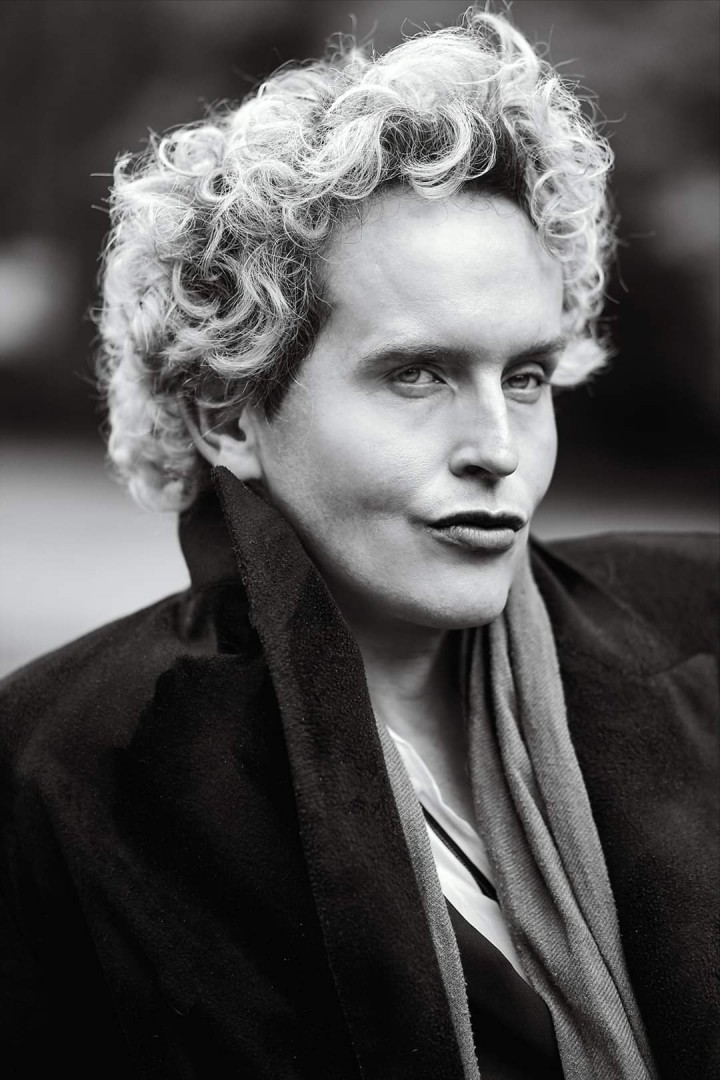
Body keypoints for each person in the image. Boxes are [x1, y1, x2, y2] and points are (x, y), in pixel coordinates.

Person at [0, 8, 717, 1079]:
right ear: (229, 415)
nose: (497, 448)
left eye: (526, 377)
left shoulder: (703, 630)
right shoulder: (60, 774)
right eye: (417, 374)